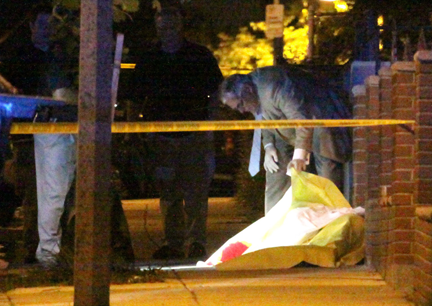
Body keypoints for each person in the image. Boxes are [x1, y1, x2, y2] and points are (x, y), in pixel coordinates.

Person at [130, 5, 223, 260]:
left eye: (171, 27)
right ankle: (173, 243)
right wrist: (135, 131)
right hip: (161, 137)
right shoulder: (149, 59)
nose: (166, 33)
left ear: (180, 26)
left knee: (195, 193)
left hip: (194, 134)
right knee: (168, 194)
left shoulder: (199, 56)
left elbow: (216, 92)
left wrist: (210, 127)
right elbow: (135, 98)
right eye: (161, 28)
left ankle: (196, 243)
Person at [220, 65, 352, 214]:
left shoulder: (274, 87)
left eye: (240, 105)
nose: (241, 111)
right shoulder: (251, 92)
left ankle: (331, 223)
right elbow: (263, 116)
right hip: (285, 132)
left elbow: (302, 120)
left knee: (327, 179)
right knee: (276, 168)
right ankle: (274, 225)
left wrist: (299, 157)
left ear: (248, 91)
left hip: (318, 121)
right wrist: (269, 146)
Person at [28, 4, 77, 266]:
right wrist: (87, 99)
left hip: (63, 128)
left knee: (58, 193)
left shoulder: (59, 54)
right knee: (54, 193)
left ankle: (52, 251)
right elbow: (61, 94)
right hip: (53, 128)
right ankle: (48, 253)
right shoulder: (52, 57)